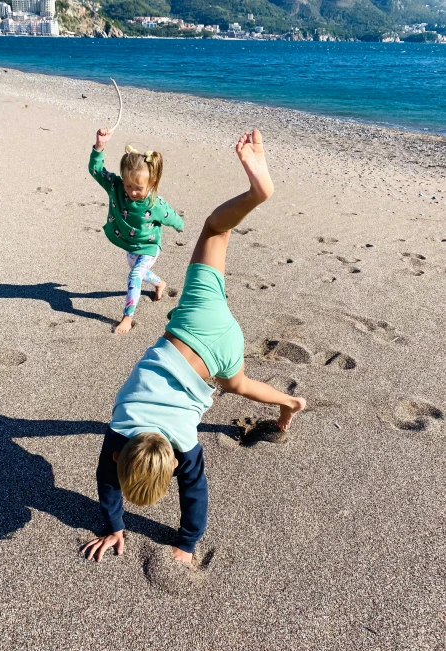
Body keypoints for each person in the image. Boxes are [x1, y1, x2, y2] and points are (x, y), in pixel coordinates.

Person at [83, 130, 306, 564]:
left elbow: (193, 493)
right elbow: (107, 477)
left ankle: (289, 403)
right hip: (197, 320)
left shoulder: (186, 441)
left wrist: (180, 543)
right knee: (213, 227)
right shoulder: (123, 415)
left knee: (238, 384)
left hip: (222, 351)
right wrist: (149, 532)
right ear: (118, 448)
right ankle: (257, 192)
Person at [89, 127, 184, 334]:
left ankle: (127, 317)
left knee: (134, 275)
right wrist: (100, 146)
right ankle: (160, 284)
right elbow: (96, 170)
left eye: (138, 188)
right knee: (138, 271)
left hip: (150, 246)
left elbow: (172, 216)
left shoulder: (155, 204)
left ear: (152, 183)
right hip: (130, 244)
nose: (132, 191)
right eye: (128, 185)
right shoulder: (116, 187)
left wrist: (180, 226)